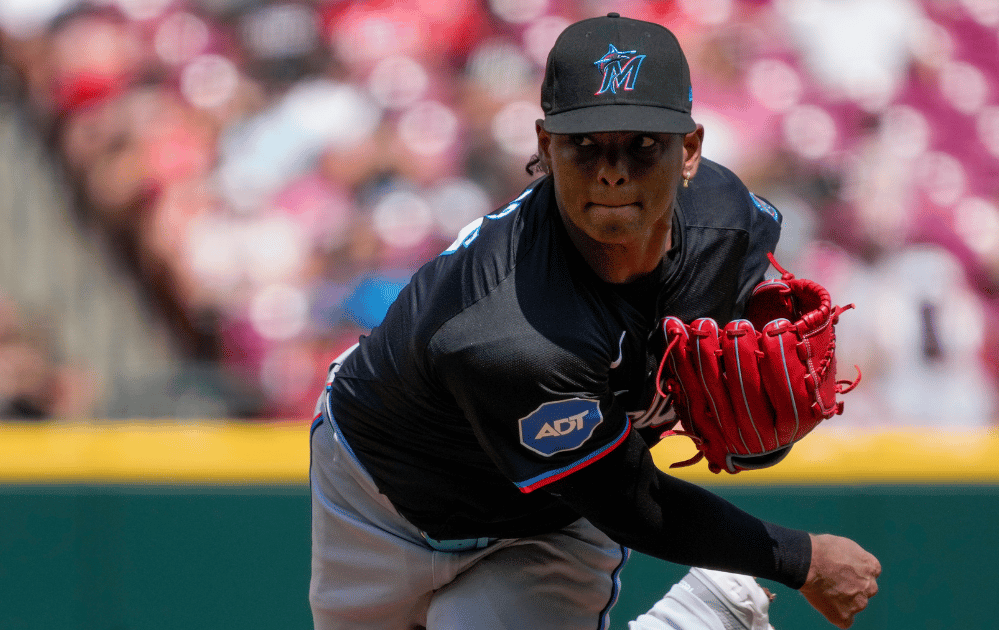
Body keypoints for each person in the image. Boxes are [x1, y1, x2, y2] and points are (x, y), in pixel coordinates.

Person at [309, 13, 881, 630]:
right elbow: (632, 504)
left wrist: (765, 437)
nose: (613, 170)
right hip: (385, 501)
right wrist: (801, 559)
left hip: (552, 518)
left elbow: (744, 406)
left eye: (643, 144)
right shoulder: (510, 331)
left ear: (689, 150)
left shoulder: (726, 224)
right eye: (585, 143)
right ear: (544, 147)